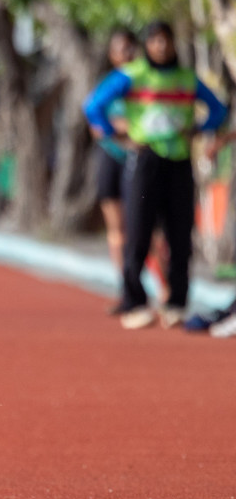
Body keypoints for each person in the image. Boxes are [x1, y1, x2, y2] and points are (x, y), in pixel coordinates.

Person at [84, 21, 228, 329]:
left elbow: (218, 109)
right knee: (137, 230)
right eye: (155, 41)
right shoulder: (132, 75)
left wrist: (200, 129)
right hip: (145, 161)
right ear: (147, 45)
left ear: (174, 43)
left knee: (180, 233)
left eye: (166, 40)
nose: (161, 47)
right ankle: (134, 300)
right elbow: (94, 106)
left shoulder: (186, 79)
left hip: (178, 161)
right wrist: (117, 134)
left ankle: (176, 301)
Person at [86, 29, 166, 315]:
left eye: (131, 48)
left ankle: (166, 292)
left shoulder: (147, 83)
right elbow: (94, 119)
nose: (126, 54)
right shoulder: (108, 85)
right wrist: (119, 131)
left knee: (149, 229)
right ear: (111, 55)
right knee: (117, 228)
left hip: (143, 160)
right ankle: (128, 290)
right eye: (120, 49)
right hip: (112, 157)